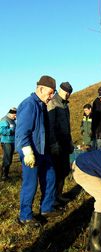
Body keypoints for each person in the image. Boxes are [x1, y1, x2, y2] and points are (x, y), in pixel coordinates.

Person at [15, 75, 62, 227]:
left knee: (50, 178)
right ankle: (25, 216)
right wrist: (27, 152)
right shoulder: (29, 105)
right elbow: (22, 132)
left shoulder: (41, 105)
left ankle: (46, 208)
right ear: (40, 89)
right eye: (50, 93)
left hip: (43, 151)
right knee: (30, 184)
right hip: (31, 152)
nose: (51, 97)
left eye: (53, 93)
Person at [47, 82, 74, 205]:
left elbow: (67, 126)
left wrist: (70, 141)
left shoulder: (65, 105)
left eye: (69, 92)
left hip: (65, 143)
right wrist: (53, 143)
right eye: (65, 91)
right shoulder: (53, 103)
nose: (67, 94)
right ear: (60, 90)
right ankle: (51, 198)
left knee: (63, 170)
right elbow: (50, 125)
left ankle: (59, 194)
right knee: (55, 171)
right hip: (56, 143)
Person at [0, 107, 17, 181]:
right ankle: (4, 176)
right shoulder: (4, 120)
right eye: (15, 115)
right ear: (11, 113)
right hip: (6, 142)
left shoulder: (13, 121)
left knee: (9, 158)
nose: (15, 117)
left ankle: (6, 175)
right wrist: (12, 131)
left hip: (12, 142)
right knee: (7, 158)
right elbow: (2, 131)